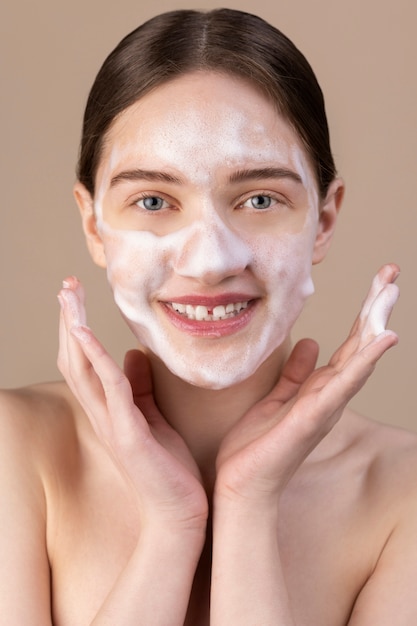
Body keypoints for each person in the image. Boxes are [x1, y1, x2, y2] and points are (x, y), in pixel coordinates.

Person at [0, 8, 416, 625]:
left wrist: (249, 505)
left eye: (258, 199)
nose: (211, 260)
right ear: (93, 224)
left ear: (323, 221)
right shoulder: (14, 452)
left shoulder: (403, 496)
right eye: (153, 200)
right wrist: (172, 527)